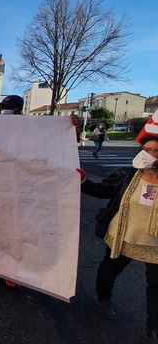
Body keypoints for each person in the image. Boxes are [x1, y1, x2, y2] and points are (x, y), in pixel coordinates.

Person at [80, 110, 158, 342]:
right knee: (109, 271)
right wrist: (84, 182)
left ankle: (152, 327)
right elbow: (103, 191)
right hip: (122, 235)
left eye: (155, 151)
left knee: (155, 287)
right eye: (146, 150)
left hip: (153, 243)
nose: (149, 154)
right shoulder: (128, 174)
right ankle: (103, 299)